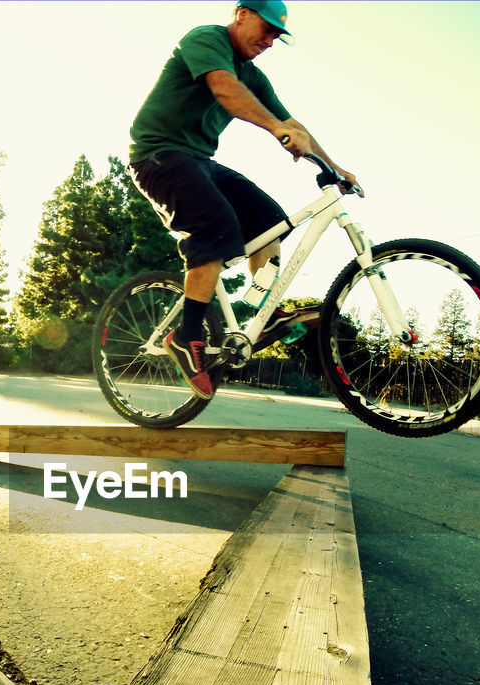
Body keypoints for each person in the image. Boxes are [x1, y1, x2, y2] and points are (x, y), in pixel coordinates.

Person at [128, 0, 360, 399]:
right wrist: (275, 130)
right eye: (266, 30)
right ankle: (185, 337)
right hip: (157, 155)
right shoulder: (206, 39)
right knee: (217, 227)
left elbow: (293, 124)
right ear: (241, 14)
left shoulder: (253, 76)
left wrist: (334, 167)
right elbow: (224, 89)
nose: (269, 41)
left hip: (199, 160)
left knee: (270, 220)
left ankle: (262, 311)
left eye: (276, 36)